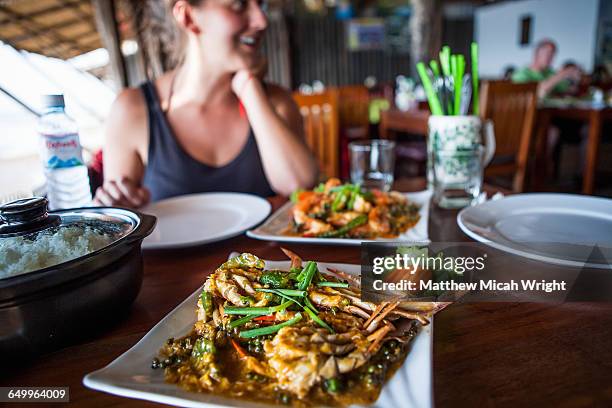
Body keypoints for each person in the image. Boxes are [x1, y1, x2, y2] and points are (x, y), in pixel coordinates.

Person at [93, 0, 318, 208]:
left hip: (263, 254)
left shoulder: (275, 101)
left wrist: (249, 88)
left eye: (260, 3)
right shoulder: (133, 110)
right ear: (188, 17)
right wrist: (114, 207)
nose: (261, 20)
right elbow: (120, 223)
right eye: (239, 4)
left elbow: (300, 186)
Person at [512, 39, 581, 98]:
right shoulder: (521, 74)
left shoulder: (550, 73)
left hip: (551, 111)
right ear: (537, 53)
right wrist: (562, 74)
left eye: (553, 54)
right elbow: (539, 92)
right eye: (548, 53)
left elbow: (569, 90)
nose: (550, 57)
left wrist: (574, 80)